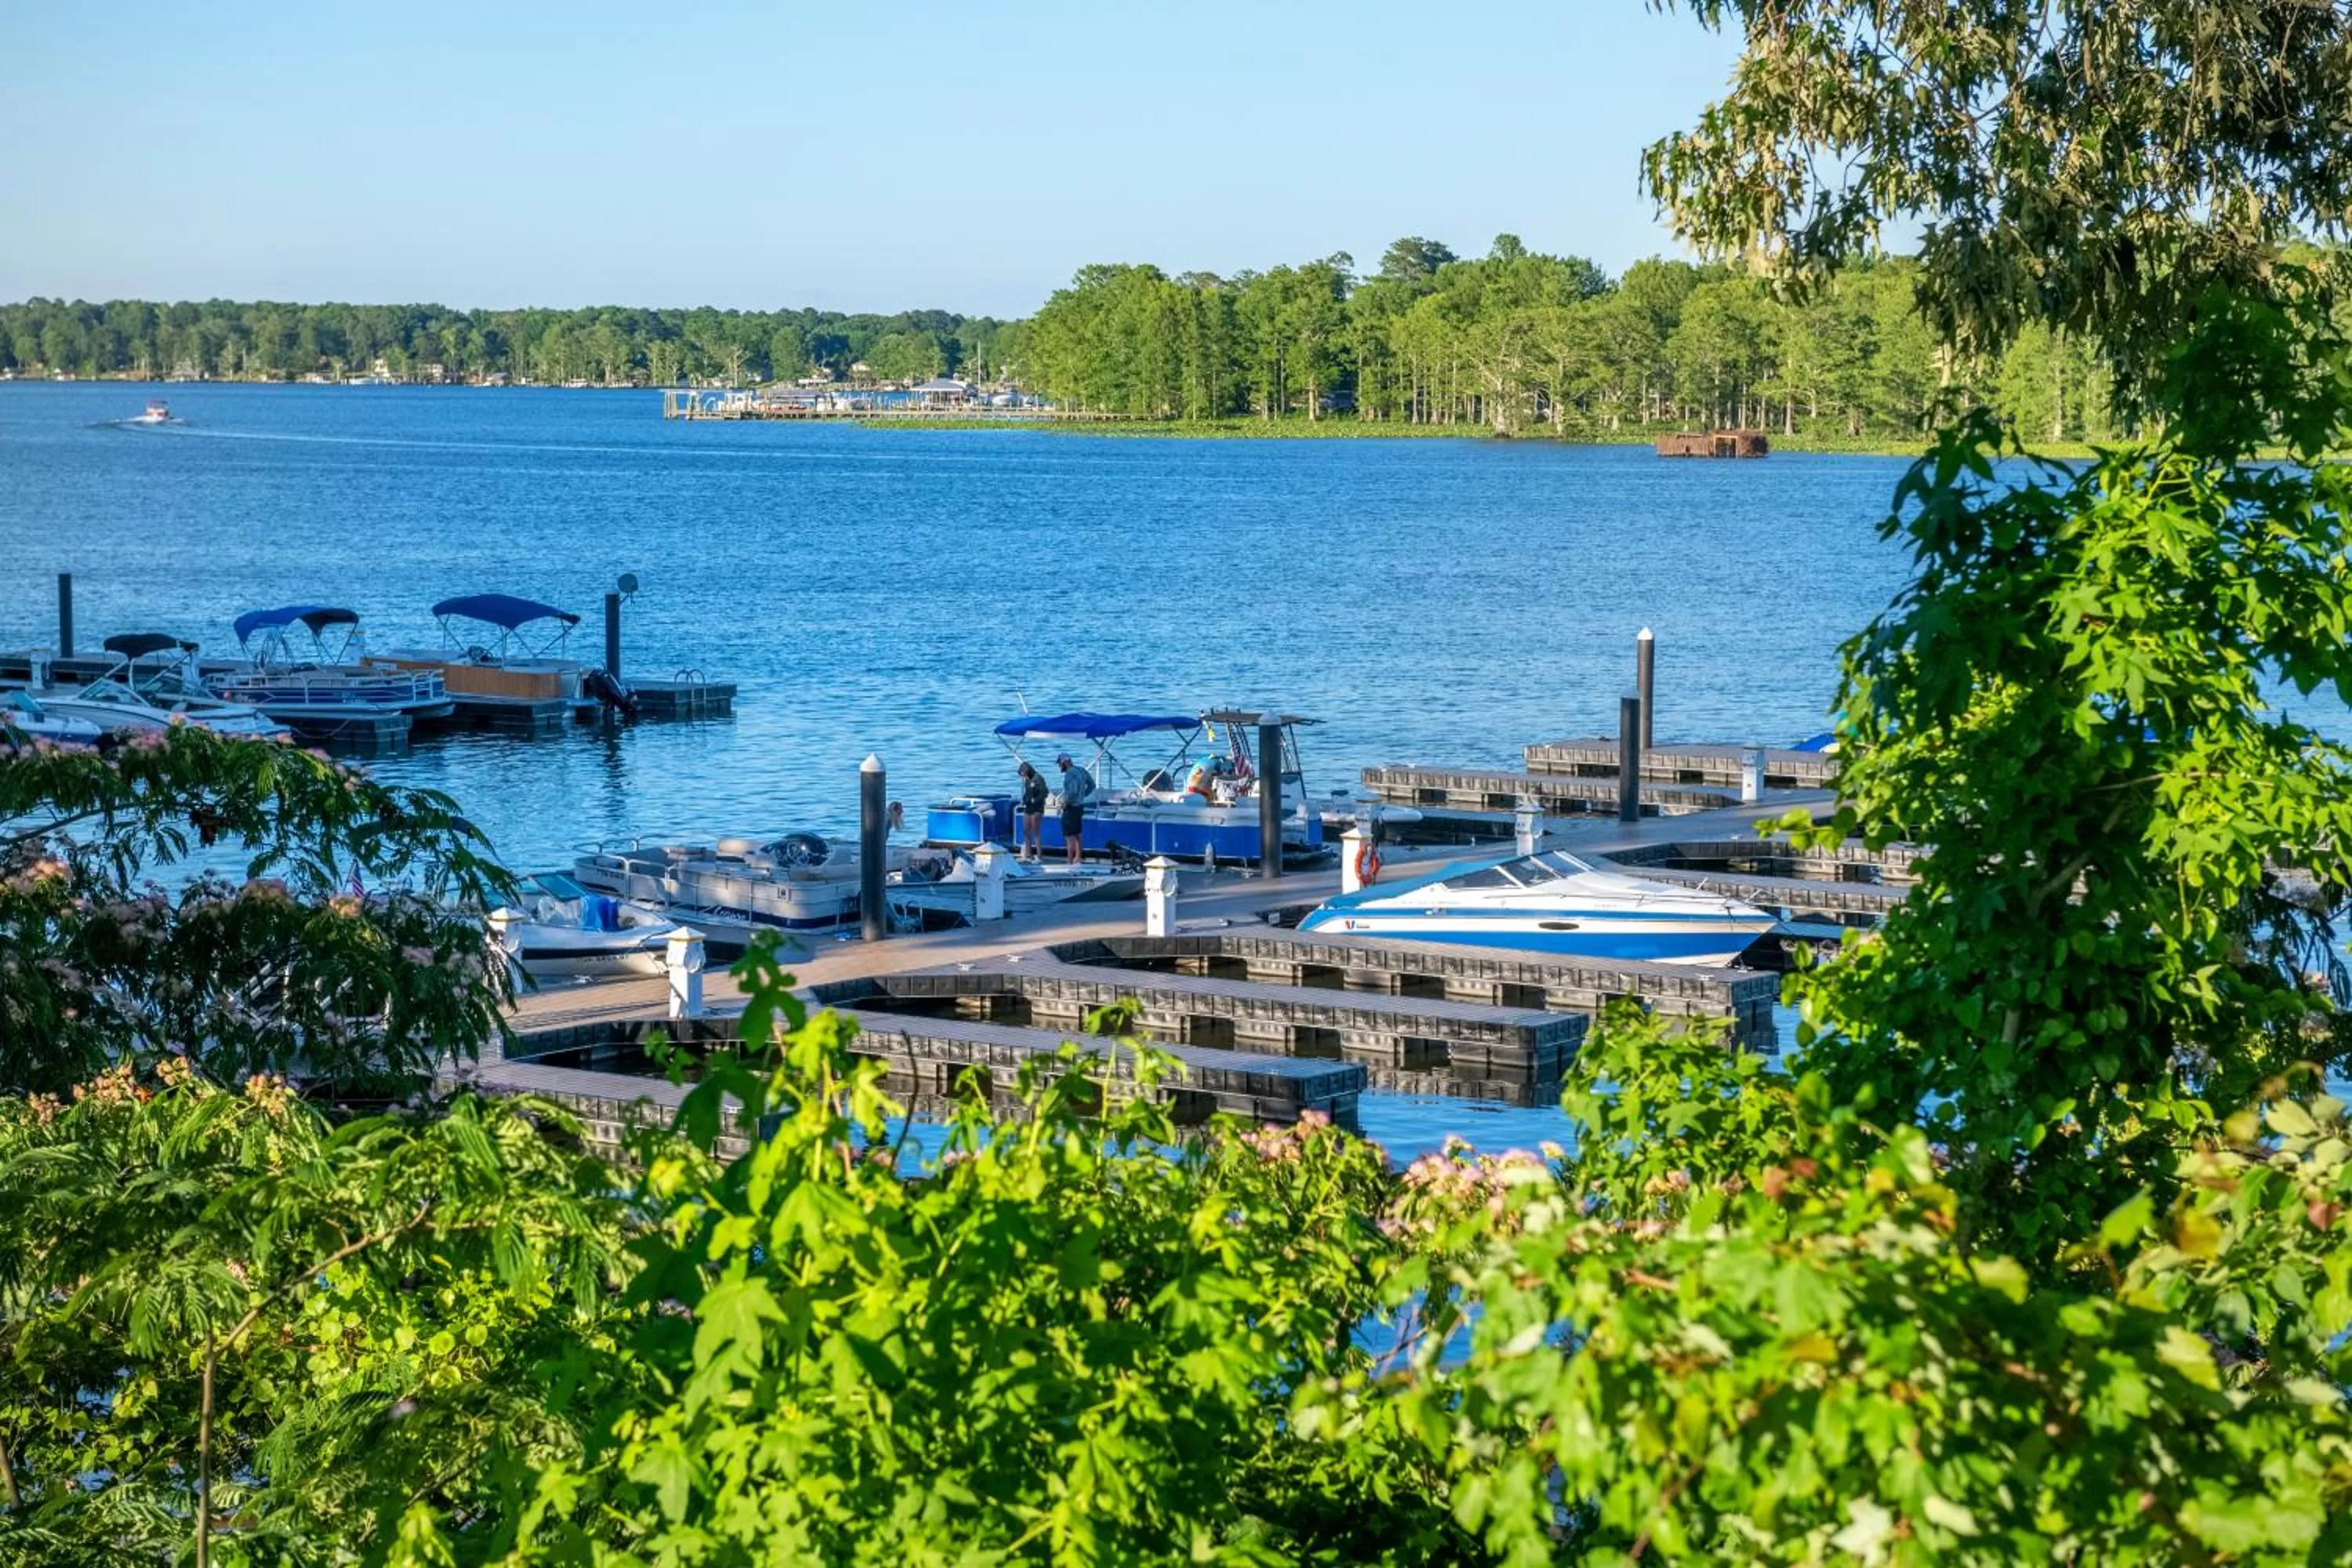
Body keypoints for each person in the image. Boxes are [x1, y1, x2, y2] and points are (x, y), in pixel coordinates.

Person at [1054, 751, 1094, 867]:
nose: (1059, 766)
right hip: (1080, 806)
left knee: (1069, 836)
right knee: (1078, 833)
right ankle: (1078, 858)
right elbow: (1092, 785)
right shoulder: (1082, 770)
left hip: (1071, 807)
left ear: (1065, 762)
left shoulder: (1070, 773)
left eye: (1060, 764)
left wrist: (1065, 803)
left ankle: (1069, 861)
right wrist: (1083, 796)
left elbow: (1072, 791)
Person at [1015, 761, 1047, 862]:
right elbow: (1027, 793)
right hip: (1028, 807)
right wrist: (1025, 800)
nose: (1023, 777)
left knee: (1036, 832)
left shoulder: (1038, 778)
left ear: (1027, 771)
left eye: (1023, 774)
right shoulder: (1027, 781)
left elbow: (1045, 793)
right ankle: (1028, 854)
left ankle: (1039, 855)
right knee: (1026, 831)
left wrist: (1035, 800)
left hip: (1037, 808)